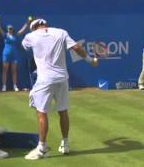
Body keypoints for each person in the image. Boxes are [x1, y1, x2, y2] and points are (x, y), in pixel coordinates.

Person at [21, 19, 98, 160]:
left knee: (42, 113)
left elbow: (25, 46)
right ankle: (65, 143)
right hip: (62, 79)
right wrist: (90, 60)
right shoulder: (61, 32)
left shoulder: (30, 37)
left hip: (45, 80)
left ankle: (42, 148)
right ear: (45, 25)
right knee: (63, 111)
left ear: (34, 28)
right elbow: (76, 48)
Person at [0, 17, 30, 92]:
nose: (10, 30)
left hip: (14, 55)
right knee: (5, 70)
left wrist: (27, 23)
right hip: (6, 55)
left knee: (14, 71)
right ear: (7, 29)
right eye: (9, 29)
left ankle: (15, 86)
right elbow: (0, 30)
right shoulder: (5, 35)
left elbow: (22, 31)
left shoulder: (15, 35)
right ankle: (4, 86)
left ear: (12, 29)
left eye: (11, 29)